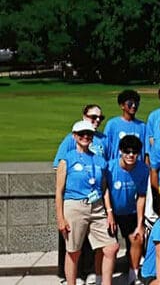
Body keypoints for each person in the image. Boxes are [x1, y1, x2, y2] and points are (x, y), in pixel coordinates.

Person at [55, 120, 120, 285]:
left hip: (97, 206)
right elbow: (59, 191)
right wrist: (60, 218)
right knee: (74, 251)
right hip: (75, 205)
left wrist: (109, 212)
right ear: (74, 136)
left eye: (89, 134)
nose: (85, 137)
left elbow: (104, 188)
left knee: (111, 247)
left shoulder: (99, 160)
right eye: (82, 134)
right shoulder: (67, 159)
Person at [105, 135, 148, 284]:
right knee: (109, 247)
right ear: (120, 151)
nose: (131, 155)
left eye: (134, 152)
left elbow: (141, 197)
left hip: (131, 212)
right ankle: (102, 278)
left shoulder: (143, 169)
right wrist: (109, 213)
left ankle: (133, 276)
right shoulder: (110, 167)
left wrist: (140, 224)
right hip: (111, 212)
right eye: (127, 151)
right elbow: (105, 192)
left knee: (137, 239)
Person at [104, 89, 146, 160]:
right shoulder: (112, 124)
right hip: (118, 166)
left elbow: (146, 151)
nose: (133, 106)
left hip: (137, 167)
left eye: (136, 103)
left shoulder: (142, 126)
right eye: (130, 103)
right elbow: (106, 147)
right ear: (122, 106)